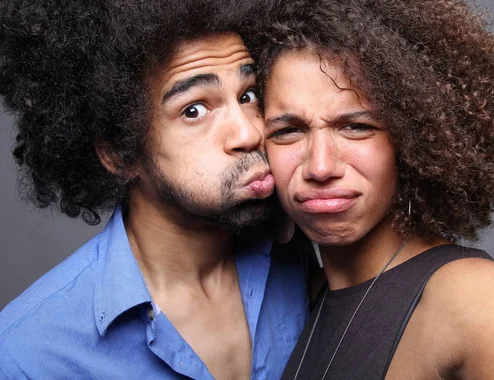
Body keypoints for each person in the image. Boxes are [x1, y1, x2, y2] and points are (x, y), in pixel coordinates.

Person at [245, 0, 494, 378]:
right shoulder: (297, 300)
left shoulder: (480, 302)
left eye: (356, 126)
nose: (320, 167)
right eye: (288, 131)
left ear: (413, 138)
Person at [0, 0, 308, 378]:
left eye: (247, 96)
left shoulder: (299, 249)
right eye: (194, 110)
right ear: (119, 152)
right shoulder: (29, 353)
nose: (250, 132)